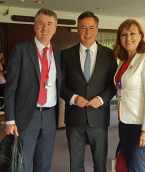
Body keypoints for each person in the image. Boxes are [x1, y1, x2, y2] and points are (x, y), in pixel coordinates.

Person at [4, 8, 61, 172]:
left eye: (50, 24)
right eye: (41, 23)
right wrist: (9, 120)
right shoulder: (20, 50)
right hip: (27, 115)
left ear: (55, 28)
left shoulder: (58, 52)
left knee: (44, 162)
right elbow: (10, 88)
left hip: (50, 115)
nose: (45, 28)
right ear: (34, 26)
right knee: (22, 162)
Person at [61, 11, 117, 172]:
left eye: (91, 28)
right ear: (78, 29)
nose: (87, 32)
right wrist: (73, 98)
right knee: (75, 165)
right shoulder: (66, 54)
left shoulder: (109, 55)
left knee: (100, 165)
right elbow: (61, 85)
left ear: (97, 30)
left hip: (98, 118)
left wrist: (101, 99)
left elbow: (113, 84)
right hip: (74, 119)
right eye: (83, 28)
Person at [113, 19, 145, 172]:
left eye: (132, 33)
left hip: (141, 124)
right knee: (139, 164)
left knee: (136, 167)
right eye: (124, 34)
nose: (128, 38)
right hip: (125, 122)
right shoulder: (123, 62)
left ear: (140, 36)